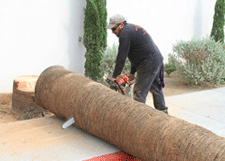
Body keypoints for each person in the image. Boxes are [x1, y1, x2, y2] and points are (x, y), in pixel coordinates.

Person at [106, 14, 168, 114]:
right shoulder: (130, 29)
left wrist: (114, 76)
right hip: (155, 58)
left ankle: (137, 118)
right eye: (111, 30)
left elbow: (121, 57)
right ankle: (164, 114)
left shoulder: (124, 34)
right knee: (155, 88)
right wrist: (132, 73)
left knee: (139, 91)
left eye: (114, 29)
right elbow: (135, 54)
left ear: (121, 25)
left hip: (149, 61)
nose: (113, 32)